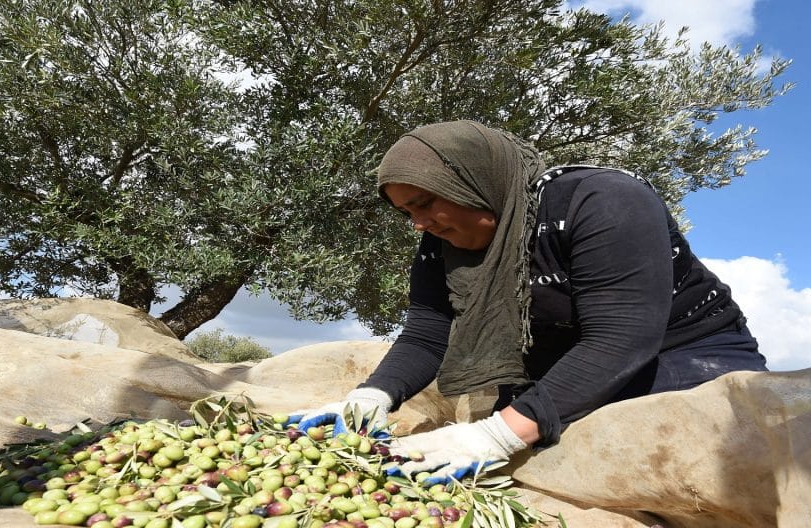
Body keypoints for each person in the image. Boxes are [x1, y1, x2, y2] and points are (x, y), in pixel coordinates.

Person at [292, 120, 767, 484]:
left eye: (423, 202)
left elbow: (622, 337)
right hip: (559, 367)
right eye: (406, 212)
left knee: (631, 445)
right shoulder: (443, 244)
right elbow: (428, 331)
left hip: (682, 356)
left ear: (472, 183)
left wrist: (498, 434)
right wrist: (373, 396)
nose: (418, 223)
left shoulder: (600, 201)